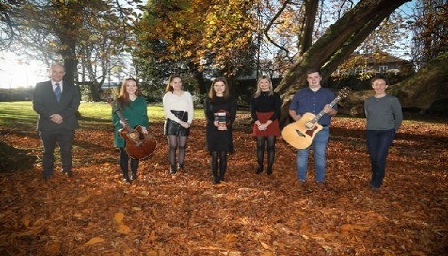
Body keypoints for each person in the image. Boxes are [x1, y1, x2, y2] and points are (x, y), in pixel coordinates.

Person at [288, 68, 337, 187]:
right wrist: (296, 119)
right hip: (303, 129)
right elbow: (291, 110)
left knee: (320, 154)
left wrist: (329, 110)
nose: (313, 80)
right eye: (310, 78)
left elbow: (334, 112)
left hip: (322, 129)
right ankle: (301, 179)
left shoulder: (328, 94)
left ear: (320, 78)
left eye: (315, 77)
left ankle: (320, 180)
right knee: (302, 154)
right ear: (307, 79)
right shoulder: (300, 93)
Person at [32, 63, 81, 181]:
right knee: (47, 151)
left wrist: (61, 116)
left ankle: (67, 171)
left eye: (60, 72)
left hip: (66, 124)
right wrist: (51, 116)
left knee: (66, 150)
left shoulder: (72, 87)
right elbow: (37, 105)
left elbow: (75, 105)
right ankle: (48, 172)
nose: (57, 74)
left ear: (64, 73)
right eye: (54, 71)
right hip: (47, 125)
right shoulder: (40, 86)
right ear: (49, 72)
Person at [364, 76, 403, 191]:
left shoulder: (392, 100)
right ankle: (376, 175)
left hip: (386, 132)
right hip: (371, 131)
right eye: (376, 84)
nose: (379, 86)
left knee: (380, 157)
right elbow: (368, 116)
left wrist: (393, 129)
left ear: (386, 86)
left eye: (382, 84)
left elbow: (399, 116)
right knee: (373, 156)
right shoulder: (368, 101)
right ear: (372, 86)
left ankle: (377, 181)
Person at [112, 78, 149, 183]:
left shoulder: (141, 100)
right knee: (124, 154)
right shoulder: (119, 101)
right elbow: (114, 118)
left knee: (135, 153)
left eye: (133, 85)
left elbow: (144, 116)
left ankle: (133, 173)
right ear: (124, 87)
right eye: (128, 85)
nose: (131, 87)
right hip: (123, 132)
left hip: (137, 130)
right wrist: (120, 122)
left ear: (137, 87)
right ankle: (125, 175)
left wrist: (144, 126)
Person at [205, 77, 236, 184]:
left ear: (225, 87)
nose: (219, 88)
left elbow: (232, 115)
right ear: (213, 87)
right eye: (216, 85)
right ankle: (215, 176)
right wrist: (213, 122)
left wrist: (226, 124)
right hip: (212, 129)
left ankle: (222, 176)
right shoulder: (208, 99)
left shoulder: (230, 99)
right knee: (214, 154)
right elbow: (207, 114)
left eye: (221, 85)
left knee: (223, 154)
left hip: (225, 129)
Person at [162, 74, 194, 174]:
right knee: (172, 146)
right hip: (172, 122)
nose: (178, 84)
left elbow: (191, 110)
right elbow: (167, 112)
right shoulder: (168, 95)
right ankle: (172, 166)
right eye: (175, 82)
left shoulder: (187, 94)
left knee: (182, 145)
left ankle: (181, 164)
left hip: (185, 120)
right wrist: (181, 122)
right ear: (171, 84)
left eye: (179, 82)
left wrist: (189, 122)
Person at [250, 75, 281, 175]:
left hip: (272, 121)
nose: (263, 84)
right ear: (259, 84)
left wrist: (267, 124)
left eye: (266, 82)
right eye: (261, 83)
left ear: (269, 83)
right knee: (260, 146)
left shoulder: (275, 95)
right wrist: (259, 123)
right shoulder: (255, 96)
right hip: (258, 121)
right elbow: (252, 112)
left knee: (271, 146)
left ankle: (269, 167)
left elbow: (277, 111)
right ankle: (260, 166)